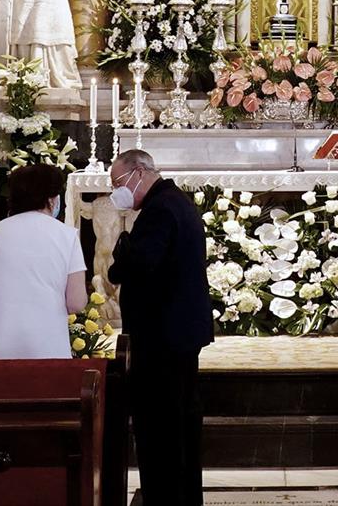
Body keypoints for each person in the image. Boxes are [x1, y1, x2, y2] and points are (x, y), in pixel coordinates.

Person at [106, 149, 212, 506]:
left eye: (118, 183)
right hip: (176, 332)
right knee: (178, 424)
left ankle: (165, 497)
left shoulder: (160, 209)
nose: (116, 191)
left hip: (163, 336)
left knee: (162, 427)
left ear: (139, 172)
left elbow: (141, 264)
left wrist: (120, 258)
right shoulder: (173, 201)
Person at [0, 164, 86, 359]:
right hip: (47, 347)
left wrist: (2, 310)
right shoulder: (67, 236)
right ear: (52, 200)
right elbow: (76, 302)